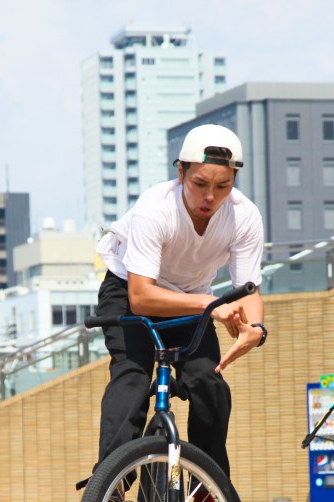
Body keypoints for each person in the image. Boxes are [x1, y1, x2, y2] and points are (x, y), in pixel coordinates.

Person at [92, 124, 266, 483]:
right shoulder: (155, 208)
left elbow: (248, 290)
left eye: (223, 186)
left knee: (209, 383)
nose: (210, 197)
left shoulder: (244, 216)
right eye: (200, 184)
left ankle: (207, 494)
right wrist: (209, 303)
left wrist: (256, 329)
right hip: (129, 290)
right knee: (133, 376)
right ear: (181, 172)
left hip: (189, 299)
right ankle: (110, 486)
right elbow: (141, 297)